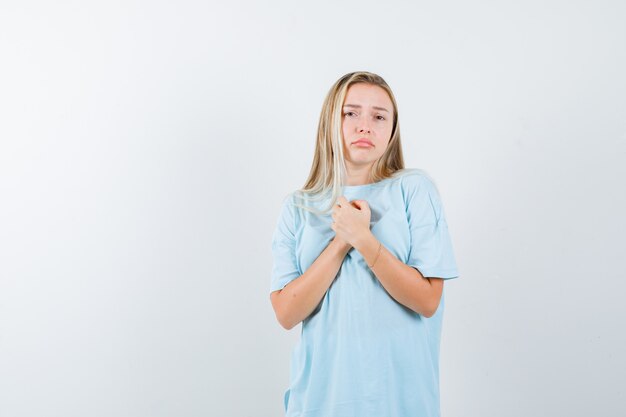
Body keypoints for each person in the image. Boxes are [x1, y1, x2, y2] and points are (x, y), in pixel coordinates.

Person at [269, 71, 460, 417]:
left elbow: (428, 300)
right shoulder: (297, 207)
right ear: (331, 120)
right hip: (318, 404)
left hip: (400, 403)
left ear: (392, 129)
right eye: (351, 113)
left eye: (379, 116)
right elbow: (286, 312)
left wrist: (363, 238)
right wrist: (342, 241)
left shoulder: (414, 190)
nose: (365, 126)